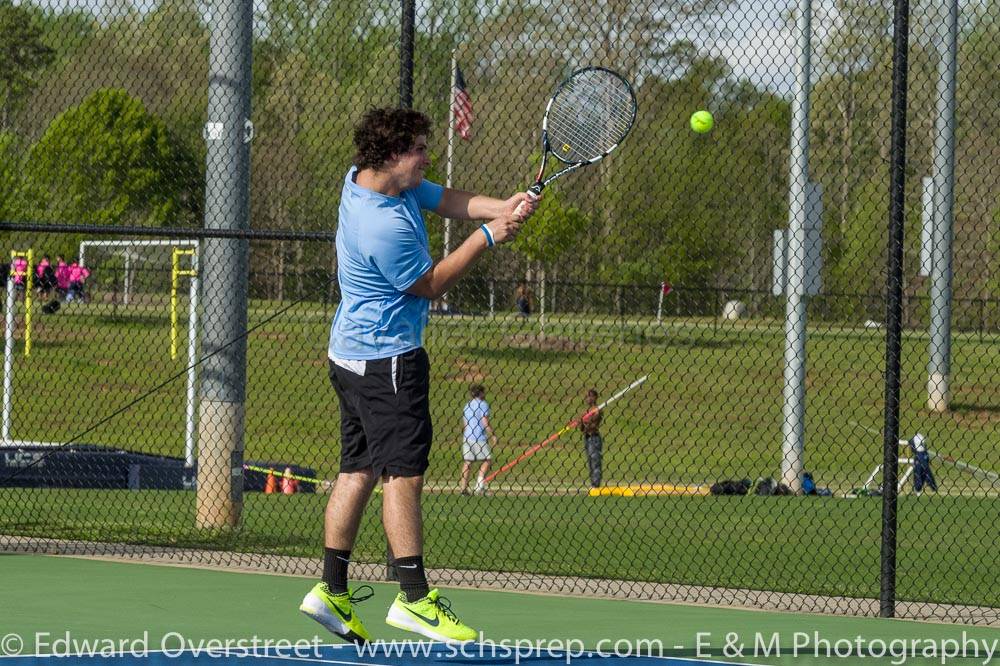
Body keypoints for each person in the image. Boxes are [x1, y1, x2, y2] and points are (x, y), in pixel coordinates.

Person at [298, 107, 538, 645]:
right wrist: (488, 237)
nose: (427, 157)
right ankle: (413, 599)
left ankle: (331, 591)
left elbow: (443, 197)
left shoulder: (369, 180)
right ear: (390, 156)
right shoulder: (379, 225)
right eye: (419, 150)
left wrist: (502, 206)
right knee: (401, 475)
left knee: (356, 470)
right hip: (388, 362)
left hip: (348, 356)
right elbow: (430, 284)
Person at [458, 384, 497, 496]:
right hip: (479, 437)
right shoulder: (483, 404)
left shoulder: (467, 405)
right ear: (480, 393)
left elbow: (465, 423)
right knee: (487, 459)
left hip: (467, 436)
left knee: (468, 462)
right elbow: (485, 422)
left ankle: (463, 488)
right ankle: (479, 486)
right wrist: (493, 435)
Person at [579, 388, 603, 488]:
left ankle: (596, 484)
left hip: (594, 438)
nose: (588, 399)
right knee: (590, 461)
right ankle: (593, 483)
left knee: (595, 460)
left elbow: (594, 423)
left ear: (595, 397)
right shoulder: (586, 412)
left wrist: (584, 421)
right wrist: (580, 422)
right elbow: (582, 429)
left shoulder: (598, 409)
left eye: (590, 396)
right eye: (587, 397)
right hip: (587, 437)